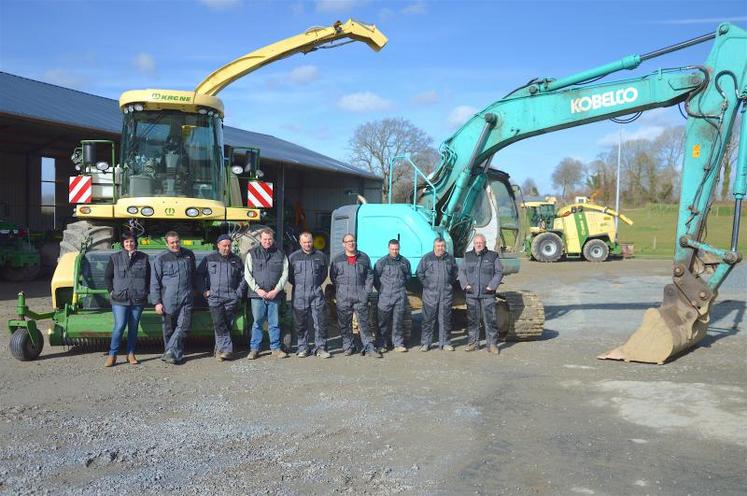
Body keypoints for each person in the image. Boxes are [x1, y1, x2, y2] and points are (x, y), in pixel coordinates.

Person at [329, 233, 380, 358]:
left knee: (364, 324)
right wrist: (341, 290)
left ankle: (369, 347)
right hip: (343, 297)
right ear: (343, 244)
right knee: (344, 324)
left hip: (360, 296)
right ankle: (348, 346)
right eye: (348, 241)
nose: (351, 243)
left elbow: (369, 275)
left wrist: (366, 291)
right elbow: (333, 277)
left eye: (353, 241)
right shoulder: (337, 259)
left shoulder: (363, 257)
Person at [197, 234, 247, 361]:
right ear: (218, 245)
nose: (227, 248)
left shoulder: (236, 260)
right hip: (215, 298)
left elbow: (243, 278)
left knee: (226, 325)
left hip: (231, 298)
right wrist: (204, 291)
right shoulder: (209, 259)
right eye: (224, 246)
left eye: (229, 246)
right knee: (219, 323)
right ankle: (227, 350)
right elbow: (199, 276)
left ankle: (219, 351)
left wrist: (238, 293)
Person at [151, 231, 197, 364]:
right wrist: (157, 302)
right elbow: (155, 282)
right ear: (166, 243)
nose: (175, 244)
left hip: (186, 297)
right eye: (172, 243)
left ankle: (170, 351)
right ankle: (173, 354)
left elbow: (193, 274)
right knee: (168, 329)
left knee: (184, 326)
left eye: (177, 241)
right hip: (168, 299)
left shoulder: (189, 254)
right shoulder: (161, 258)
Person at [104, 233, 149, 367]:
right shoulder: (115, 258)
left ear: (136, 243)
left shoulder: (144, 258)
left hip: (137, 298)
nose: (129, 244)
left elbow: (148, 277)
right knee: (119, 326)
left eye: (132, 241)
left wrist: (145, 291)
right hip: (120, 299)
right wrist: (111, 291)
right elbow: (107, 277)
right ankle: (112, 355)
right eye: (127, 242)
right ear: (123, 244)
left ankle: (130, 354)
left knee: (133, 328)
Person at [245, 228, 289, 360]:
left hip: (274, 294)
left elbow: (285, 273)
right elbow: (248, 274)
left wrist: (276, 290)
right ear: (260, 239)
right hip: (257, 295)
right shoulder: (252, 254)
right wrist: (258, 290)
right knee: (257, 322)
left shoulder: (280, 253)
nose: (267, 241)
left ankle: (275, 349)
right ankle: (254, 349)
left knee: (274, 322)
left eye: (269, 239)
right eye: (265, 239)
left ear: (273, 239)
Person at [458, 234, 504, 354]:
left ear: (484, 243)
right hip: (471, 294)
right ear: (474, 244)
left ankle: (492, 345)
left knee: (490, 320)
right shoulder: (467, 256)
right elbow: (461, 271)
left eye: (481, 242)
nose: (478, 244)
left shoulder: (493, 256)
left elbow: (499, 272)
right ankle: (473, 343)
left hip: (487, 294)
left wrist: (492, 286)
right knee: (472, 320)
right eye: (476, 243)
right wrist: (465, 285)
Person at [288, 232, 331, 358]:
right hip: (299, 294)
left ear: (313, 241)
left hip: (316, 293)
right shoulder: (293, 257)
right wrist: (300, 286)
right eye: (305, 242)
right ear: (300, 243)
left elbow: (323, 275)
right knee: (300, 323)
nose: (307, 244)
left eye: (309, 242)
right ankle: (303, 347)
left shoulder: (321, 256)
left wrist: (315, 285)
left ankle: (321, 348)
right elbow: (290, 276)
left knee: (320, 322)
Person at [416, 238, 458, 352]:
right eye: (438, 246)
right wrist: (426, 284)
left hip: (445, 294)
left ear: (445, 246)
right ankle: (426, 343)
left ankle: (445, 343)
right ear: (434, 247)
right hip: (430, 294)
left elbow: (455, 272)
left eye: (442, 246)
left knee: (445, 319)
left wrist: (449, 283)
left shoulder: (450, 258)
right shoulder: (427, 258)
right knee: (428, 319)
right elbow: (419, 272)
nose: (441, 248)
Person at [374, 239, 411, 353]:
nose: (394, 251)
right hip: (385, 296)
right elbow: (375, 278)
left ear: (399, 249)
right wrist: (383, 289)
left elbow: (408, 276)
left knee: (398, 321)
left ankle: (398, 344)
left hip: (399, 296)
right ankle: (382, 344)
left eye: (396, 249)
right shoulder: (381, 262)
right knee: (383, 322)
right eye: (392, 249)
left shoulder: (405, 262)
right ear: (388, 248)